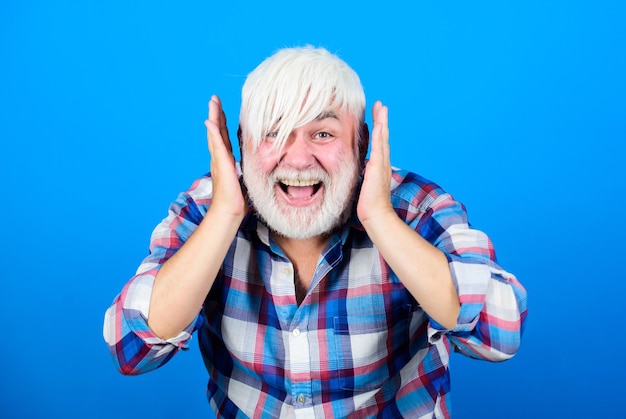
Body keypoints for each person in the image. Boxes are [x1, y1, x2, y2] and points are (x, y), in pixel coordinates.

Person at [103, 46, 527, 418]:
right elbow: (131, 348)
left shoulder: (415, 206)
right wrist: (226, 214)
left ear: (362, 143)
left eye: (322, 133)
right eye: (274, 133)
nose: (299, 159)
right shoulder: (208, 207)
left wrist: (379, 217)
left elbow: (500, 333)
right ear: (239, 144)